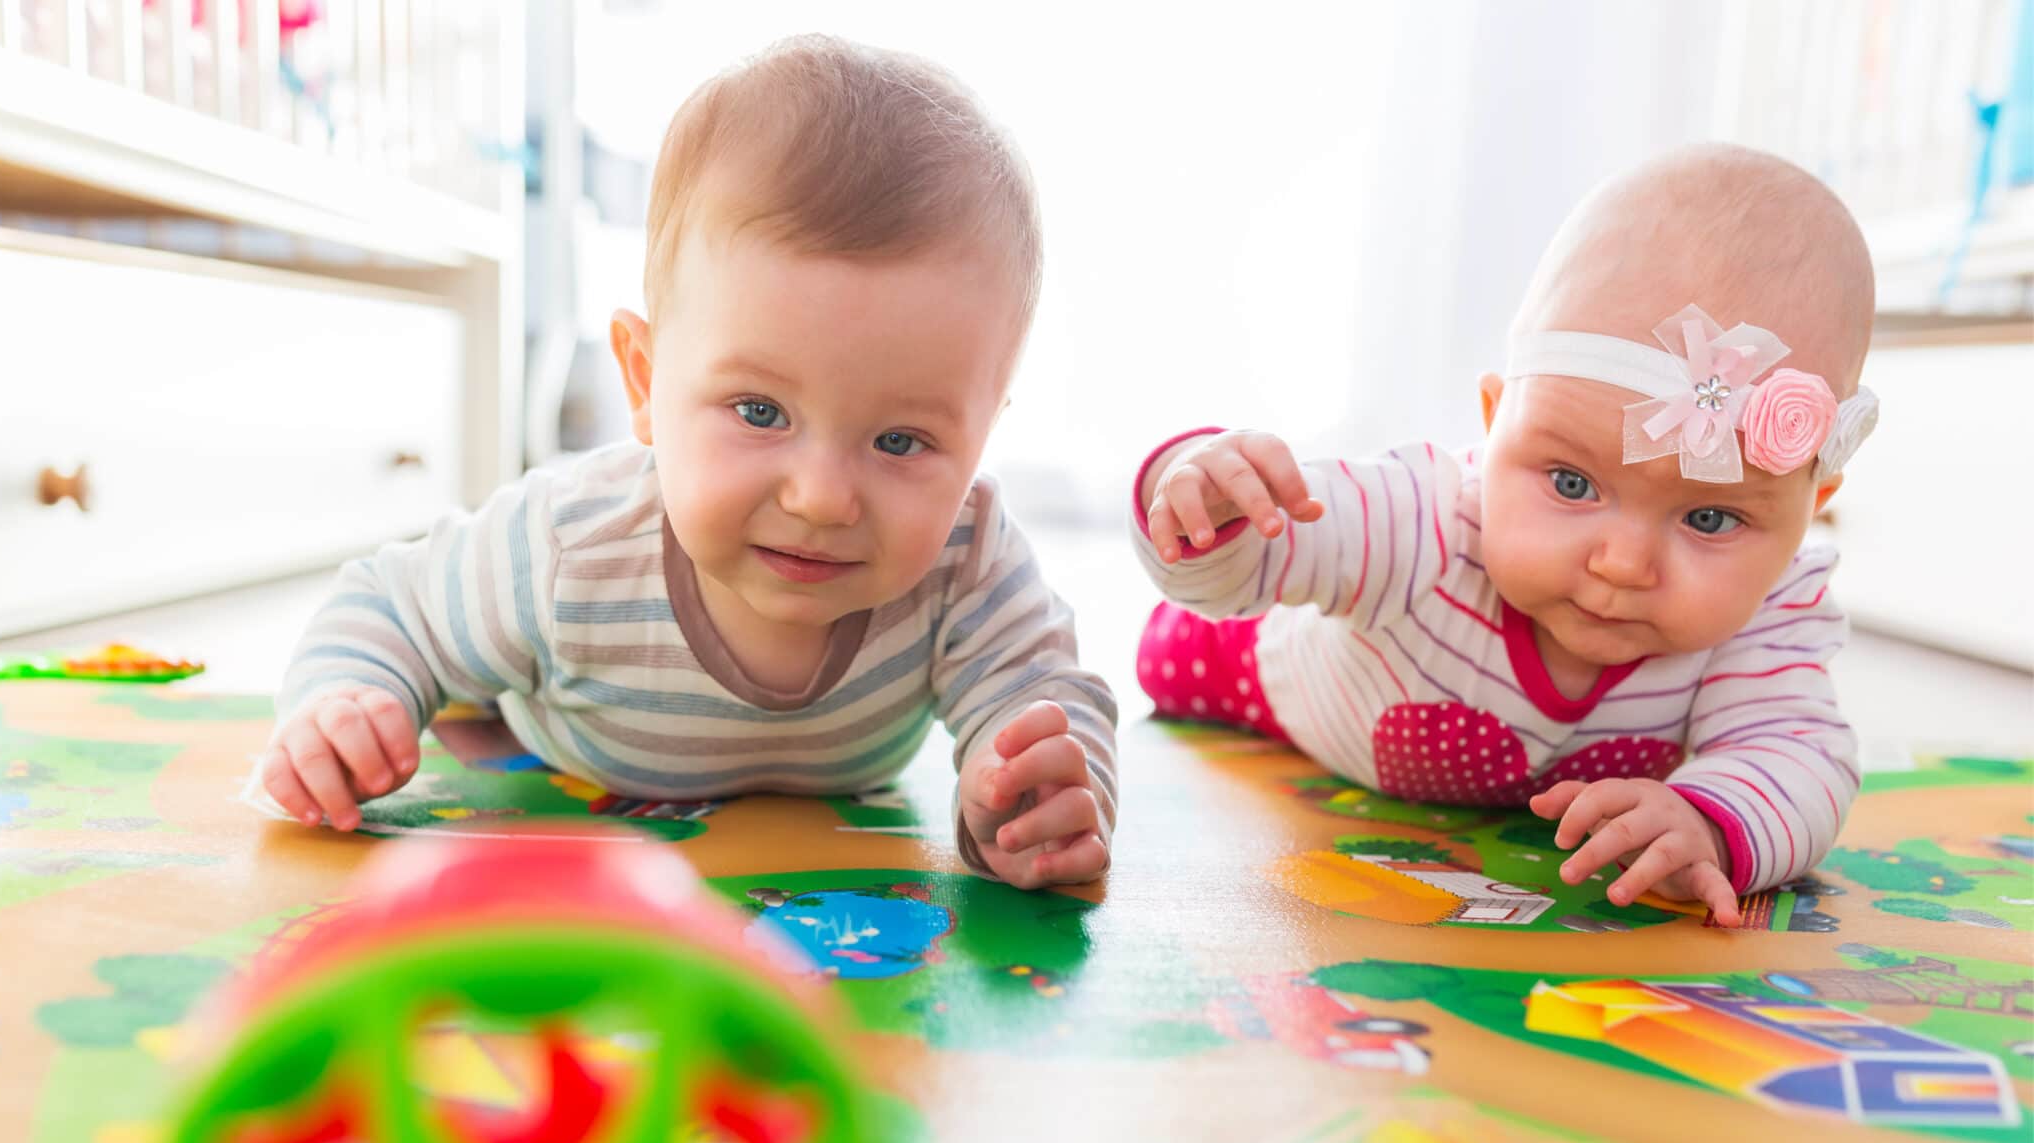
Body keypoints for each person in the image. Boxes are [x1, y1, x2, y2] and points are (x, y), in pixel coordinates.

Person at [263, 35, 1116, 889]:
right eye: (759, 411)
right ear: (644, 378)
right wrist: (346, 705)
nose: (821, 499)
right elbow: (390, 604)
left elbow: (1044, 698)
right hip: (556, 827)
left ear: (981, 435)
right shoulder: (567, 549)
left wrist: (1032, 794)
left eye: (901, 441)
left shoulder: (967, 560)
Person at [1131, 145, 1876, 924]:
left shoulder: (1767, 611)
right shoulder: (1428, 517)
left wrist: (1713, 825)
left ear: (1810, 506)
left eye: (1710, 518)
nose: (1623, 563)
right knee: (1191, 627)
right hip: (1283, 678)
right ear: (1495, 425)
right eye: (1571, 482)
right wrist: (1206, 502)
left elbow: (1801, 753)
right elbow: (1287, 526)